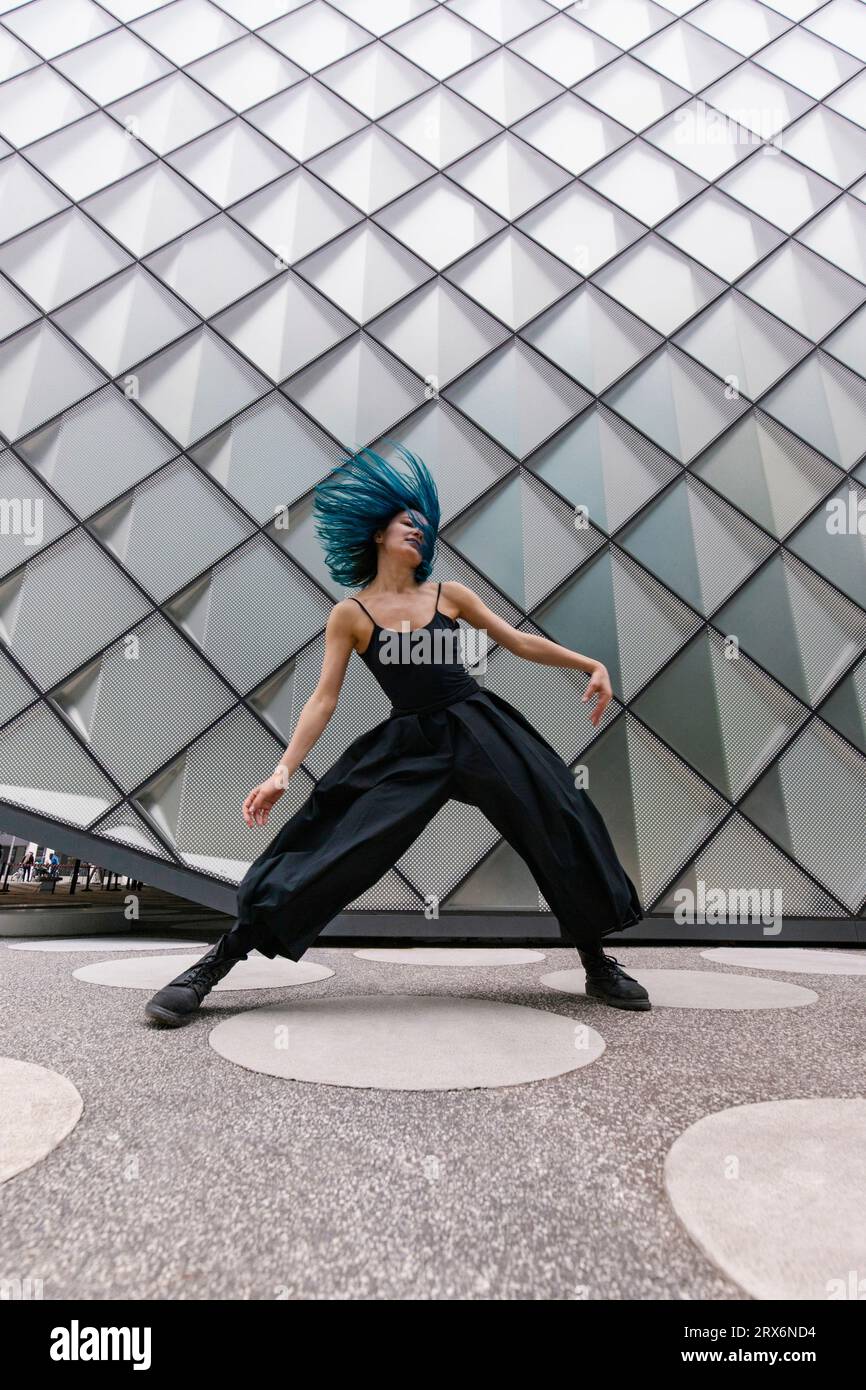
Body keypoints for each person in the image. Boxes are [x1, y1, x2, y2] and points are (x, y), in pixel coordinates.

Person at [145, 445, 649, 1027]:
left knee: (556, 813)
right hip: (410, 743)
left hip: (477, 723)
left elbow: (516, 641)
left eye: (422, 525)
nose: (418, 530)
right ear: (377, 531)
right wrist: (283, 770)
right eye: (407, 520)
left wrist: (588, 663)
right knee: (337, 841)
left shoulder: (448, 596)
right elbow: (323, 698)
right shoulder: (351, 614)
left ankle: (595, 961)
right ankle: (214, 964)